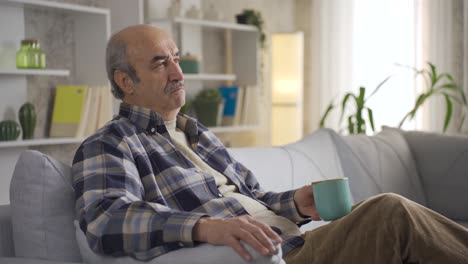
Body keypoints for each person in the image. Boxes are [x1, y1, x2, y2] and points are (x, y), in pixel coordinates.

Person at [72, 24, 468, 264]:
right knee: (389, 211)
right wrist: (206, 228)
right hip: (278, 257)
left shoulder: (197, 132)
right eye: (160, 63)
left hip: (296, 239)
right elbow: (106, 218)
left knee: (382, 213)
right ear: (125, 81)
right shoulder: (111, 144)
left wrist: (296, 203)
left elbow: (254, 196)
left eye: (176, 58)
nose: (178, 72)